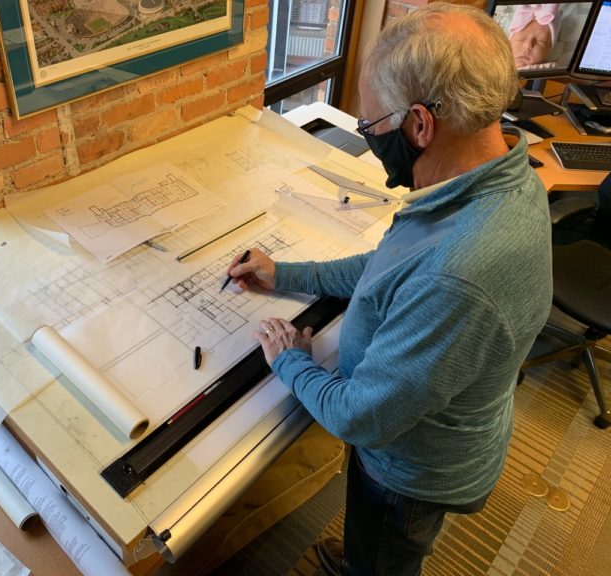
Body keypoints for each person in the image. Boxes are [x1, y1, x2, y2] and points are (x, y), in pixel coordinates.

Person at [225, 3, 553, 575]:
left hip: (409, 473)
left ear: (421, 125)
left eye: (372, 126)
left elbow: (361, 418)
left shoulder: (461, 271)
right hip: (435, 432)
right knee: (373, 546)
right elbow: (388, 267)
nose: (371, 138)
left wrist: (293, 361)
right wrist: (286, 274)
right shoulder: (491, 180)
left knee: (382, 555)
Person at [508, 4, 561, 69]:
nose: (528, 46)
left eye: (541, 41)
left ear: (549, 51)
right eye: (520, 39)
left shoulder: (550, 70)